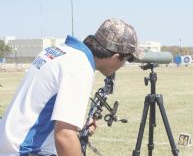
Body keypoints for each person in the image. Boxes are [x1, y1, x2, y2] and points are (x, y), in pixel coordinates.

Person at [0, 18, 143, 156]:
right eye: (128, 59)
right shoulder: (80, 67)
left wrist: (79, 123)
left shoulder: (58, 51)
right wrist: (69, 131)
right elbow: (64, 136)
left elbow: (40, 105)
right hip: (24, 151)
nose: (124, 65)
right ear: (116, 56)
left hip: (9, 145)